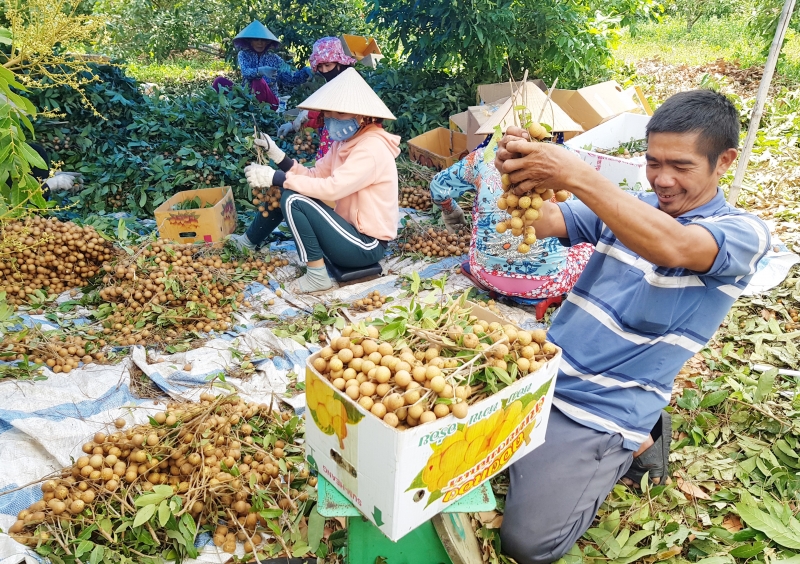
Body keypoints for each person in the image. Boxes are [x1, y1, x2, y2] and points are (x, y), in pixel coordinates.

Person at [493, 89, 770, 564]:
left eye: (681, 166)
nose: (662, 179)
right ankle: (630, 437)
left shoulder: (745, 233)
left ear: (723, 161)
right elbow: (545, 222)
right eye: (652, 161)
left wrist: (578, 173)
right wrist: (522, 177)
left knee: (526, 544)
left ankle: (636, 434)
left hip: (603, 403)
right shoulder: (631, 206)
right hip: (544, 369)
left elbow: (676, 248)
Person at [230, 68, 400, 294]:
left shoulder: (371, 148)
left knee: (292, 199)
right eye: (328, 114)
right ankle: (248, 241)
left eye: (337, 115)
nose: (330, 121)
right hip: (346, 230)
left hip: (366, 245)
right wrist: (278, 156)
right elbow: (314, 176)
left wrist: (277, 177)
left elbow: (331, 189)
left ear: (360, 116)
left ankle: (317, 275)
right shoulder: (343, 143)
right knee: (286, 188)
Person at [429, 141, 593, 304]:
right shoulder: (568, 157)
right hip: (550, 283)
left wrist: (450, 210)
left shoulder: (482, 157)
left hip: (485, 274)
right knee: (590, 237)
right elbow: (587, 206)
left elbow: (438, 185)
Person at [277, 37, 357, 159]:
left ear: (339, 63)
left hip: (349, 136)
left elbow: (334, 107)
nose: (324, 70)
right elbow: (323, 116)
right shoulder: (334, 80)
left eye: (328, 65)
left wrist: (308, 113)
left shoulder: (349, 80)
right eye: (320, 66)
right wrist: (294, 125)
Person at [212, 21, 312, 109]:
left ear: (268, 42)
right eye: (256, 40)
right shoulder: (243, 54)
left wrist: (306, 72)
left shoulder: (274, 58)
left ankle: (257, 112)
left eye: (263, 40)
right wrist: (260, 71)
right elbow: (245, 72)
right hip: (246, 98)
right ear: (250, 41)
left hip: (269, 103)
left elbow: (290, 79)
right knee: (219, 81)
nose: (260, 43)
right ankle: (245, 108)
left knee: (258, 81)